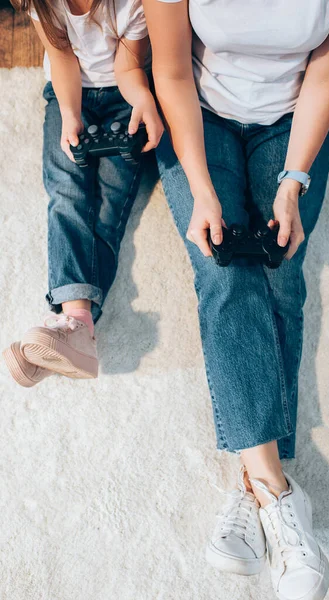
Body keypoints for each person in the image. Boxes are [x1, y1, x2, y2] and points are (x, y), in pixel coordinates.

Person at [143, 0, 329, 598]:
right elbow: (171, 71)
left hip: (291, 117)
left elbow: (328, 70)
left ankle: (246, 478)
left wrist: (293, 182)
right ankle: (280, 495)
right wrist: (202, 192)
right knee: (223, 272)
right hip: (199, 115)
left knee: (282, 269)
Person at [3, 0, 163, 386]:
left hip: (125, 95)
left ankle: (72, 327)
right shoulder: (41, 2)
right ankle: (78, 325)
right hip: (67, 90)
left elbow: (128, 67)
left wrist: (143, 99)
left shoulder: (132, 5)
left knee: (109, 205)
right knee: (66, 190)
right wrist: (71, 113)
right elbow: (62, 60)